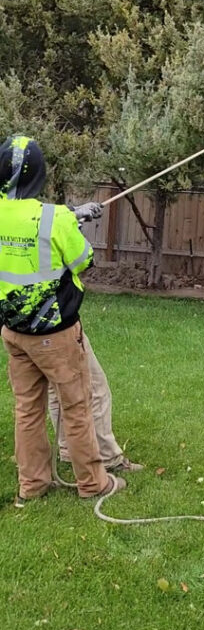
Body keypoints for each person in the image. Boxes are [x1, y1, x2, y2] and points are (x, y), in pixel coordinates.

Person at [0, 135, 125, 506]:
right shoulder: (53, 221)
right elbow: (84, 262)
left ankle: (32, 486)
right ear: (39, 174)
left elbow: (26, 225)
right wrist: (75, 225)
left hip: (14, 333)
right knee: (76, 406)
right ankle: (94, 483)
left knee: (27, 410)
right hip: (55, 335)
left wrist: (72, 214)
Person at [47, 335, 144, 474]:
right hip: (54, 329)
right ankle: (107, 458)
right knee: (96, 389)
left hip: (22, 330)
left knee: (55, 388)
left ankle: (68, 450)